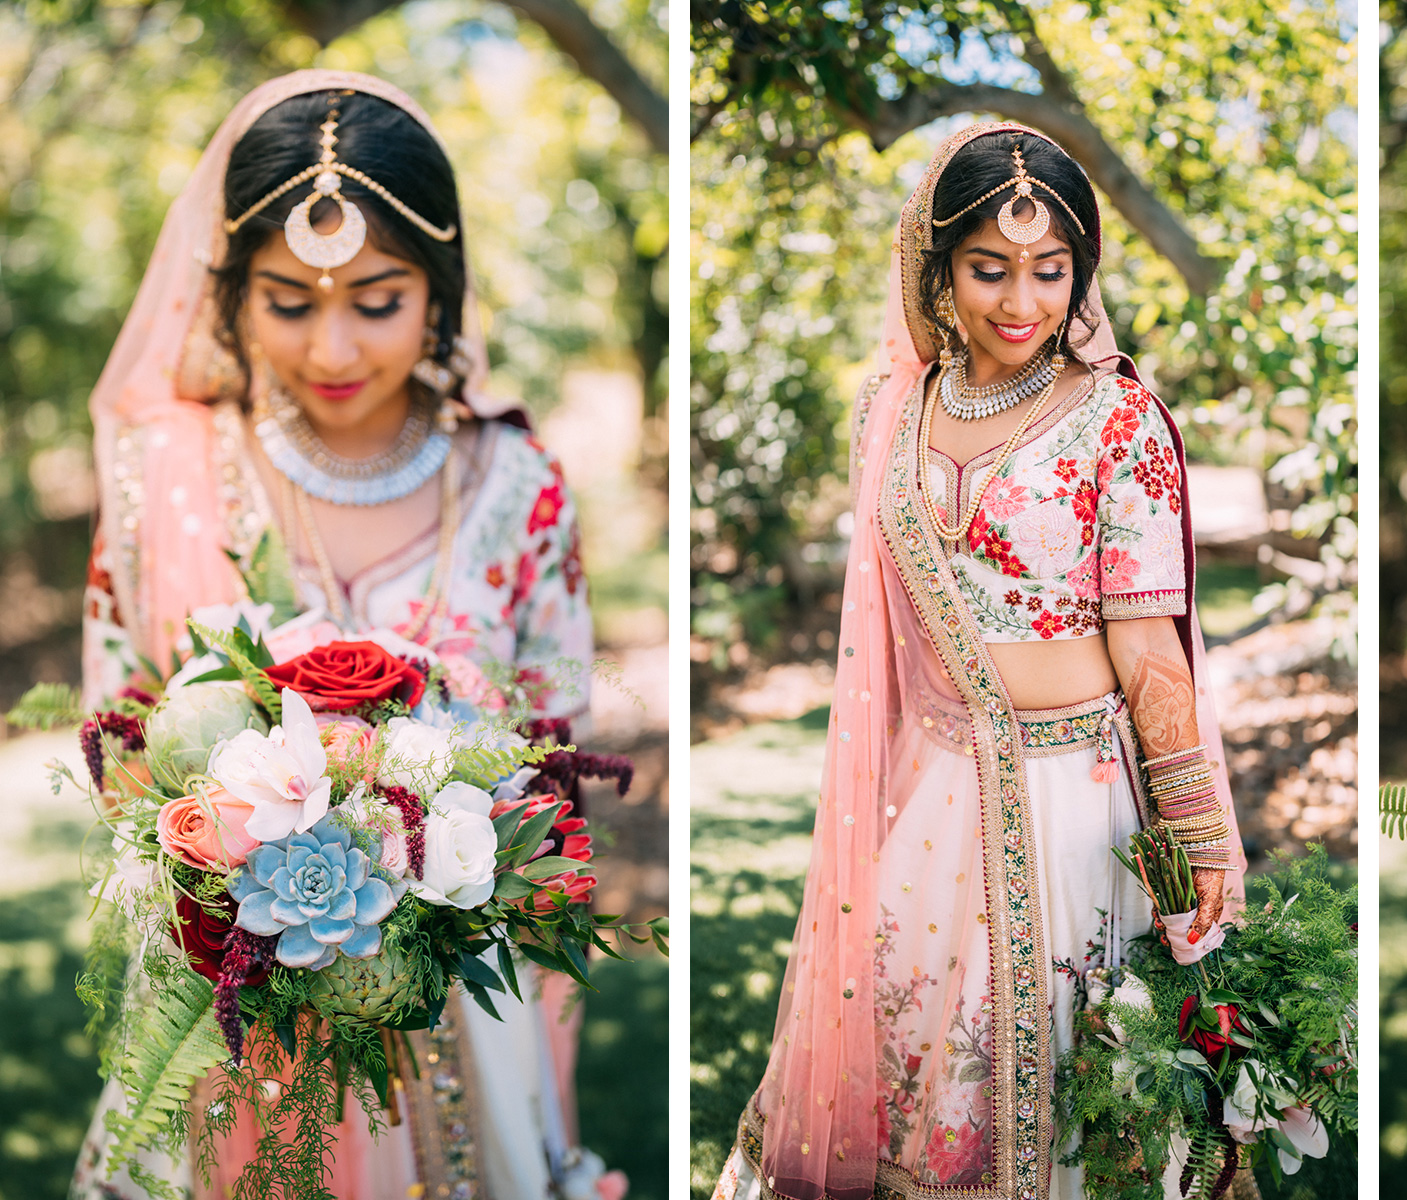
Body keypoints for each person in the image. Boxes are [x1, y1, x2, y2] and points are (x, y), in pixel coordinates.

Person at [71, 70, 622, 1200]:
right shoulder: (169, 477)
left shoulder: (515, 484)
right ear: (228, 294)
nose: (332, 347)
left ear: (439, 290)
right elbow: (119, 740)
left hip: (461, 1012)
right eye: (288, 299)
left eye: (376, 300)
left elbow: (556, 771)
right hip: (231, 1015)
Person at [710, 121, 1250, 1200]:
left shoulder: (1118, 422)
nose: (1020, 302)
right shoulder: (891, 412)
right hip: (933, 796)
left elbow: (1147, 646)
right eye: (988, 269)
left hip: (1078, 807)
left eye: (1050, 271)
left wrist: (1195, 832)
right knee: (910, 1073)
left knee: (1077, 1075)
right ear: (938, 268)